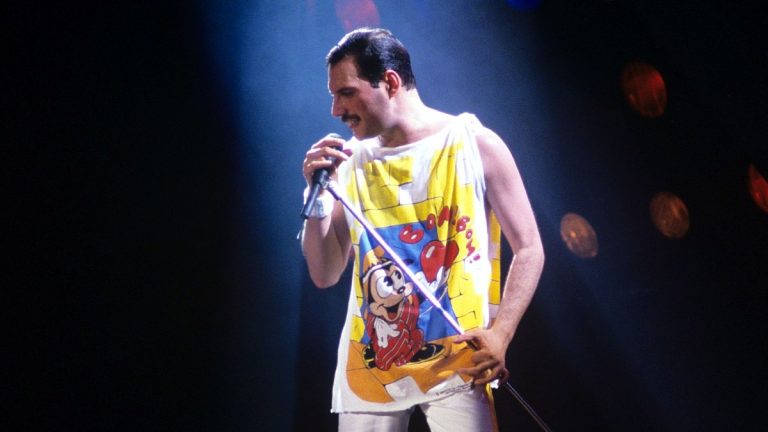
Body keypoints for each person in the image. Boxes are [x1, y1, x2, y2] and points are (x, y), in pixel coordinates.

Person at [301, 28, 544, 432]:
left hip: (459, 359)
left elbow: (530, 247)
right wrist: (318, 196)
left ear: (390, 82)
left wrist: (501, 334)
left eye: (346, 93)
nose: (335, 110)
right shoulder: (346, 163)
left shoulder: (474, 144)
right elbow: (324, 273)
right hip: (371, 368)